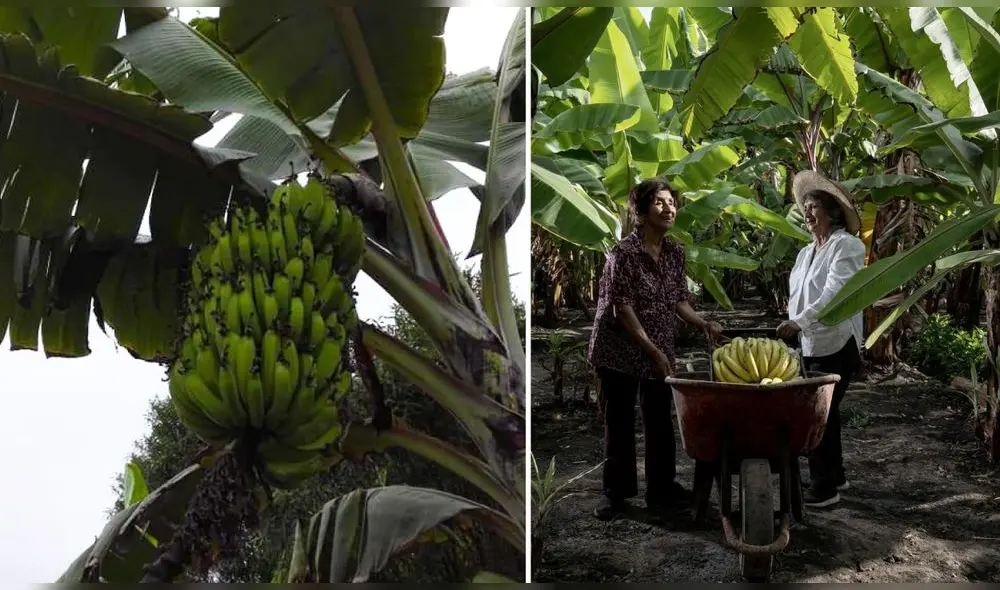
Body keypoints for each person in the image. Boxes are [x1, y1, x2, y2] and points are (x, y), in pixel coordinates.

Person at [587, 177, 724, 521]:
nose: (669, 208)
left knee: (659, 419)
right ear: (641, 210)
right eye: (660, 202)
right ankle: (614, 493)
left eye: (672, 202)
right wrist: (652, 350)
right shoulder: (623, 254)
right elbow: (623, 307)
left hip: (658, 347)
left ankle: (660, 488)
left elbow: (679, 300)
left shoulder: (675, 252)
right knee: (618, 421)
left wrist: (703, 323)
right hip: (618, 349)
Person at [776, 170, 866, 509]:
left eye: (815, 206)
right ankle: (836, 473)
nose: (808, 213)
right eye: (806, 207)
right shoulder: (805, 252)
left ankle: (824, 488)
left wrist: (799, 322)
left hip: (837, 343)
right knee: (829, 412)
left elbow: (836, 294)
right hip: (810, 344)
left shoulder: (848, 246)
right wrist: (793, 325)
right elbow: (798, 295)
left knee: (818, 414)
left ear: (833, 211)